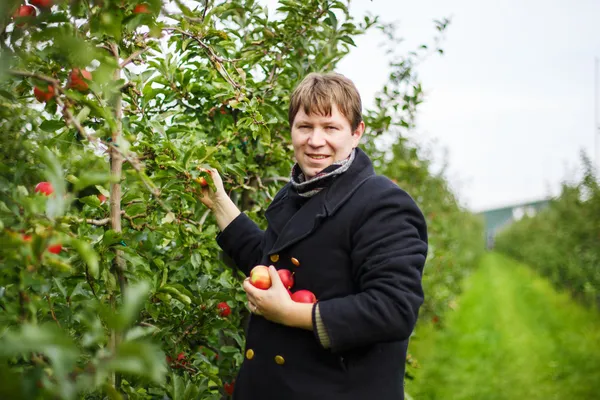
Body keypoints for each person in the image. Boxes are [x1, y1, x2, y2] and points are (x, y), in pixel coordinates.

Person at [198, 72, 428, 400]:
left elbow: (394, 308)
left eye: (330, 128)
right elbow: (275, 265)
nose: (315, 140)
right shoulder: (294, 195)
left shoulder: (381, 203)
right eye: (305, 127)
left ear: (356, 133)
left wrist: (292, 314)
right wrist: (220, 204)